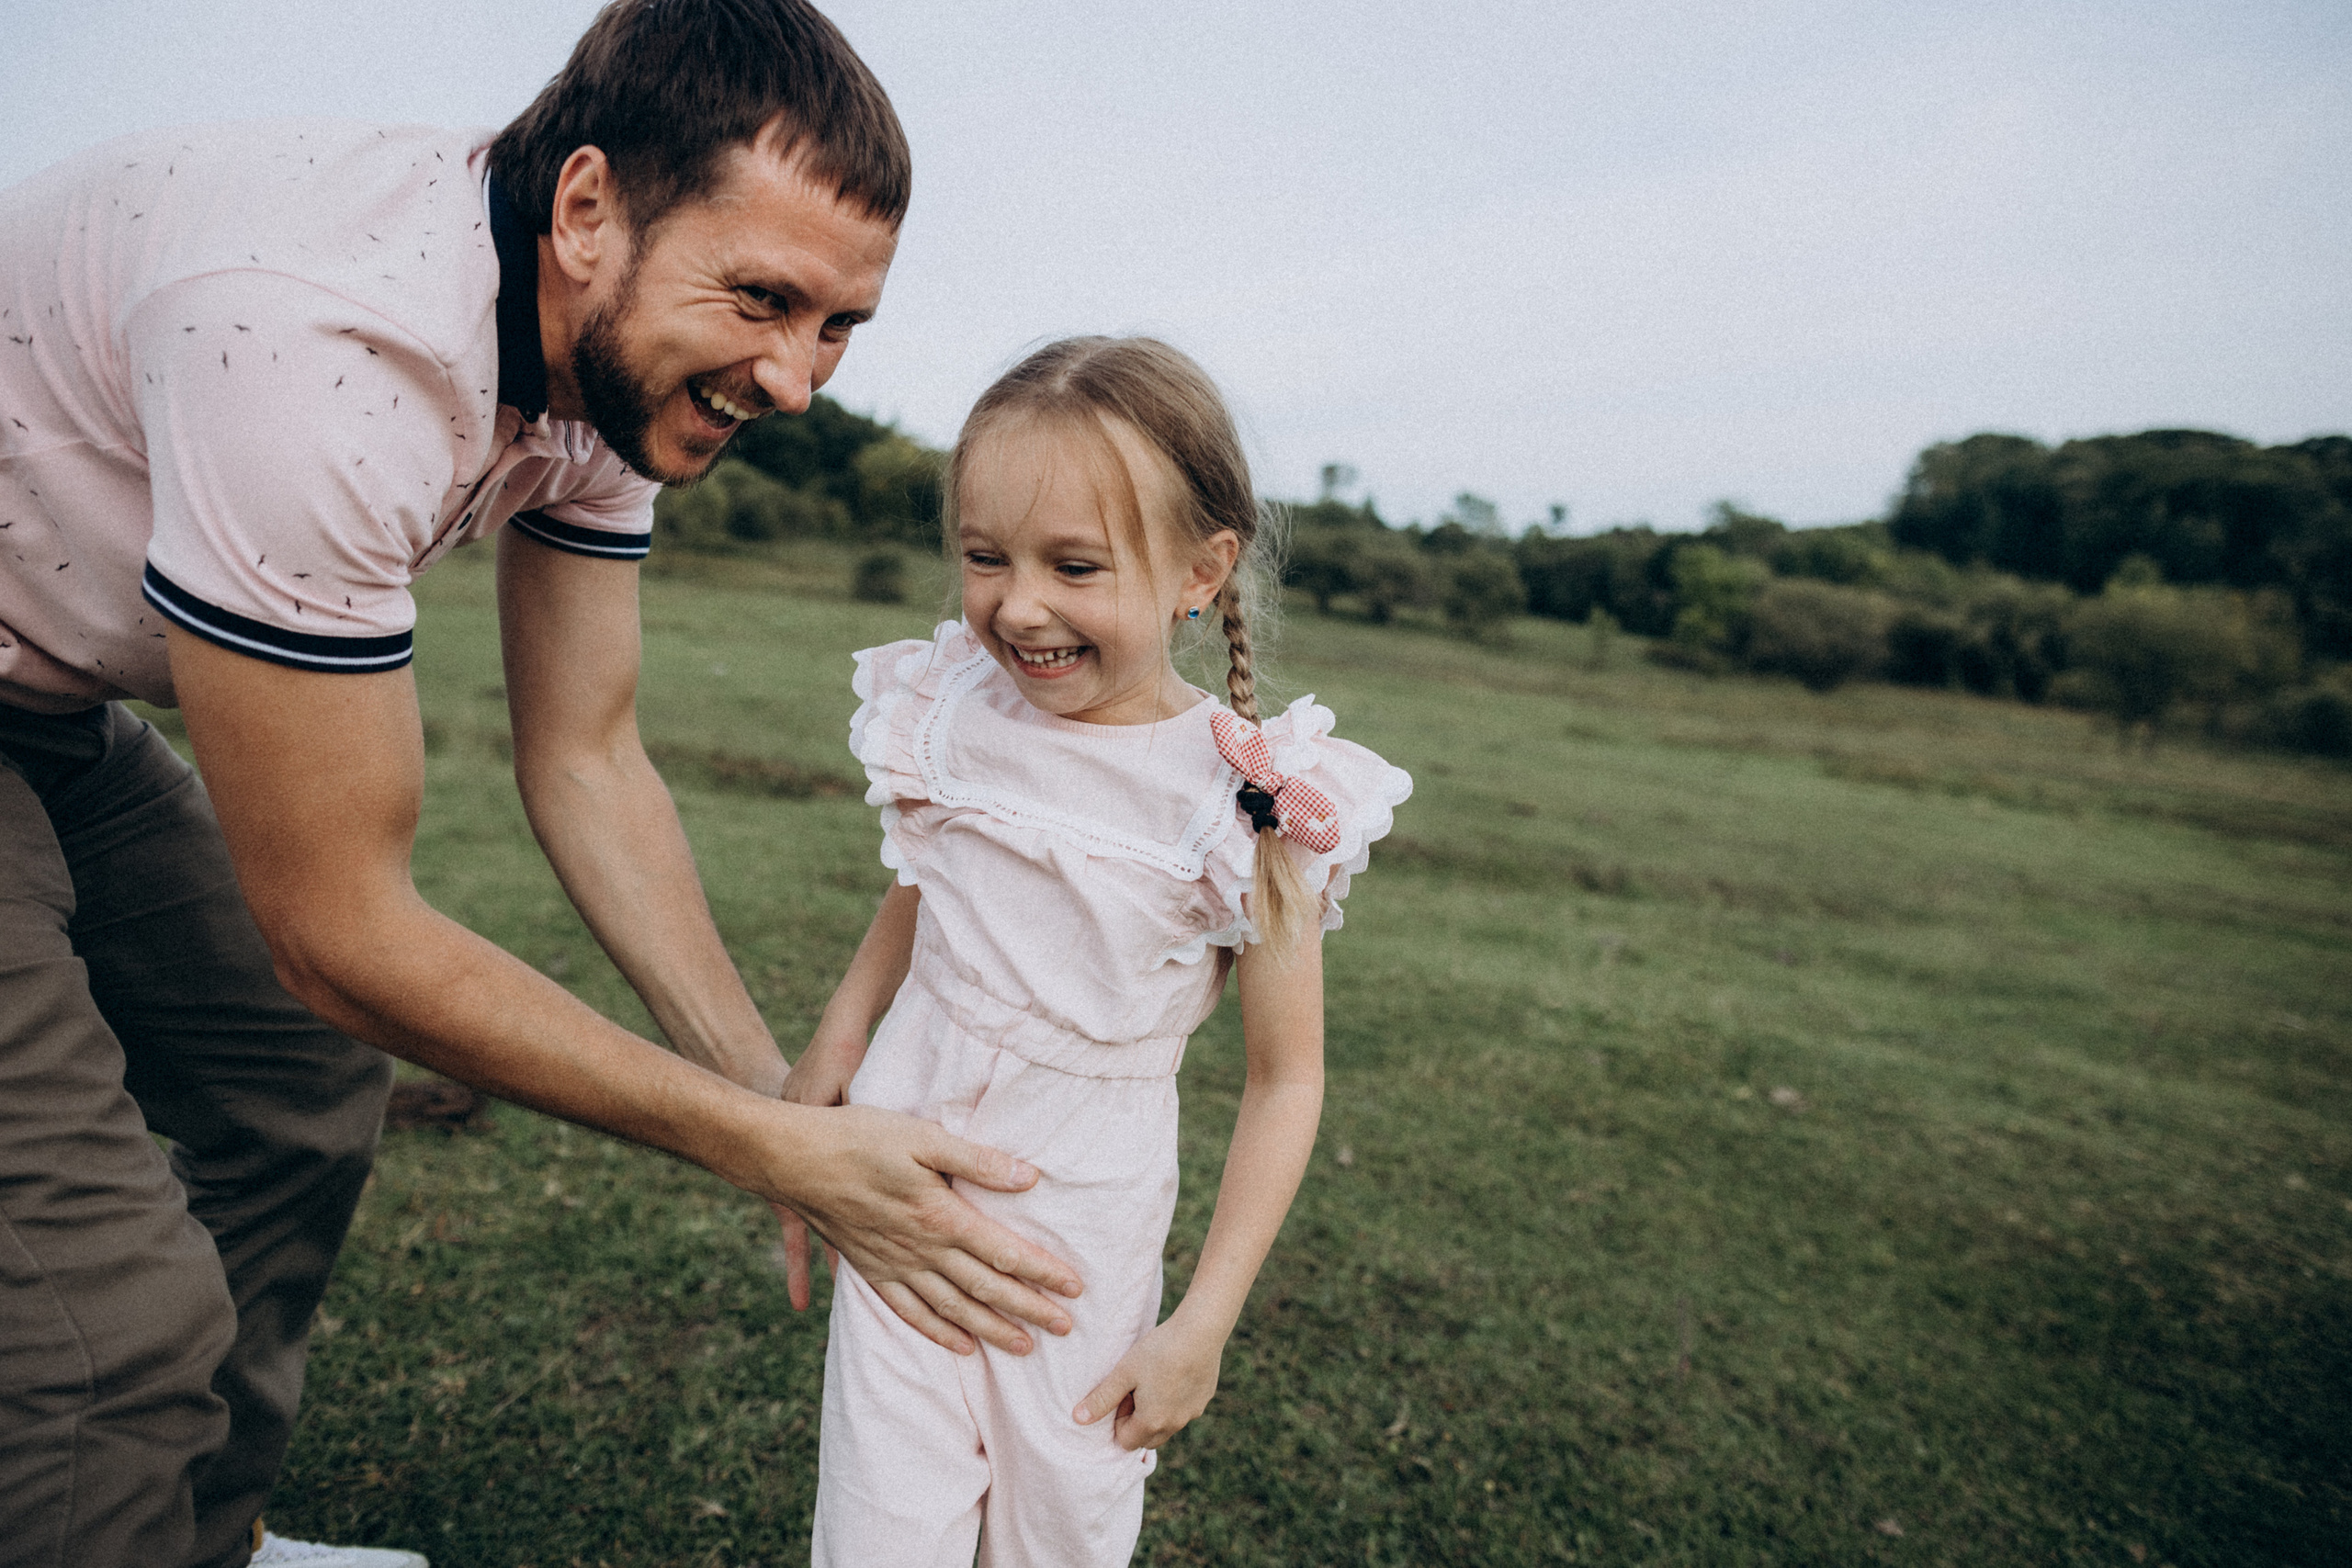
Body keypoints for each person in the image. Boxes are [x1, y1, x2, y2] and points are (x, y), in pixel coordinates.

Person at [0, 5, 1082, 1566]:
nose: (794, 379)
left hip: (46, 698)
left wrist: (779, 1095)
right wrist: (761, 1150)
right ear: (587, 208)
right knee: (107, 1328)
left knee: (294, 1084)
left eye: (839, 323)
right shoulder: (324, 354)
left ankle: (186, 1543)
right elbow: (341, 930)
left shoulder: (607, 363)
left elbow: (584, 753)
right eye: (766, 300)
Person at [784, 336, 1412, 1566]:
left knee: (1057, 1520)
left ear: (1199, 570)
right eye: (985, 556)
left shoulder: (1247, 803)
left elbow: (1288, 1079)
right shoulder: (953, 703)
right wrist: (834, 1050)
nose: (1019, 606)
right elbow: (927, 889)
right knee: (880, 1519)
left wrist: (1204, 1324)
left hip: (1078, 1217)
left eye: (1074, 565)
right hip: (903, 1151)